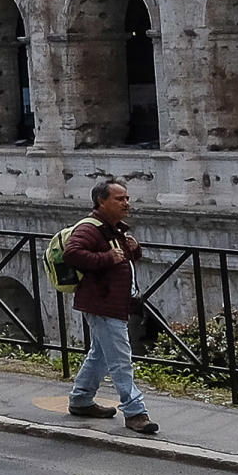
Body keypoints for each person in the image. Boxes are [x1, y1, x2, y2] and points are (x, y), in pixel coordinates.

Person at [62, 179, 157, 435]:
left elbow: (122, 259)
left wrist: (134, 250)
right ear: (101, 202)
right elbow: (72, 253)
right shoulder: (90, 229)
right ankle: (135, 412)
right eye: (119, 199)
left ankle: (81, 399)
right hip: (102, 303)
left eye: (126, 198)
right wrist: (106, 257)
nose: (126, 203)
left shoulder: (114, 229)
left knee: (100, 355)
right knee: (120, 359)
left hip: (113, 302)